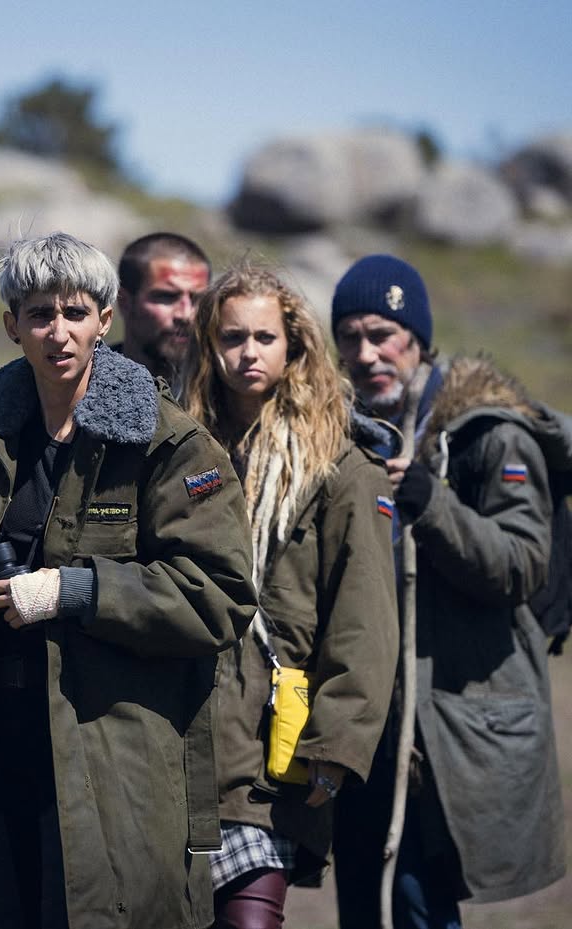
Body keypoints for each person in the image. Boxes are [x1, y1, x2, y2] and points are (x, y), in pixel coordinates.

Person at [0, 232, 258, 929]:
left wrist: (74, 590)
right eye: (38, 314)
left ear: (105, 318)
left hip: (110, 766)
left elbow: (219, 594)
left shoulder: (168, 443)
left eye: (74, 311)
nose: (57, 331)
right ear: (12, 325)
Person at [330, 254, 565, 928]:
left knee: (416, 910)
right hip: (366, 730)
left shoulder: (490, 435)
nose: (366, 352)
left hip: (447, 733)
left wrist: (432, 502)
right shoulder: (351, 437)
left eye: (382, 333)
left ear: (418, 337)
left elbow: (523, 563)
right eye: (349, 336)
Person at [179, 264, 398, 928]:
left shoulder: (341, 466)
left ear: (294, 345)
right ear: (209, 345)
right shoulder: (177, 451)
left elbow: (364, 617)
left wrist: (336, 744)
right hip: (175, 740)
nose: (249, 352)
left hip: (274, 751)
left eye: (265, 337)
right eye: (234, 336)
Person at [116, 232, 211, 384]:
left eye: (197, 299)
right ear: (124, 302)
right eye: (167, 297)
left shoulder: (229, 392)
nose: (186, 315)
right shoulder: (80, 385)